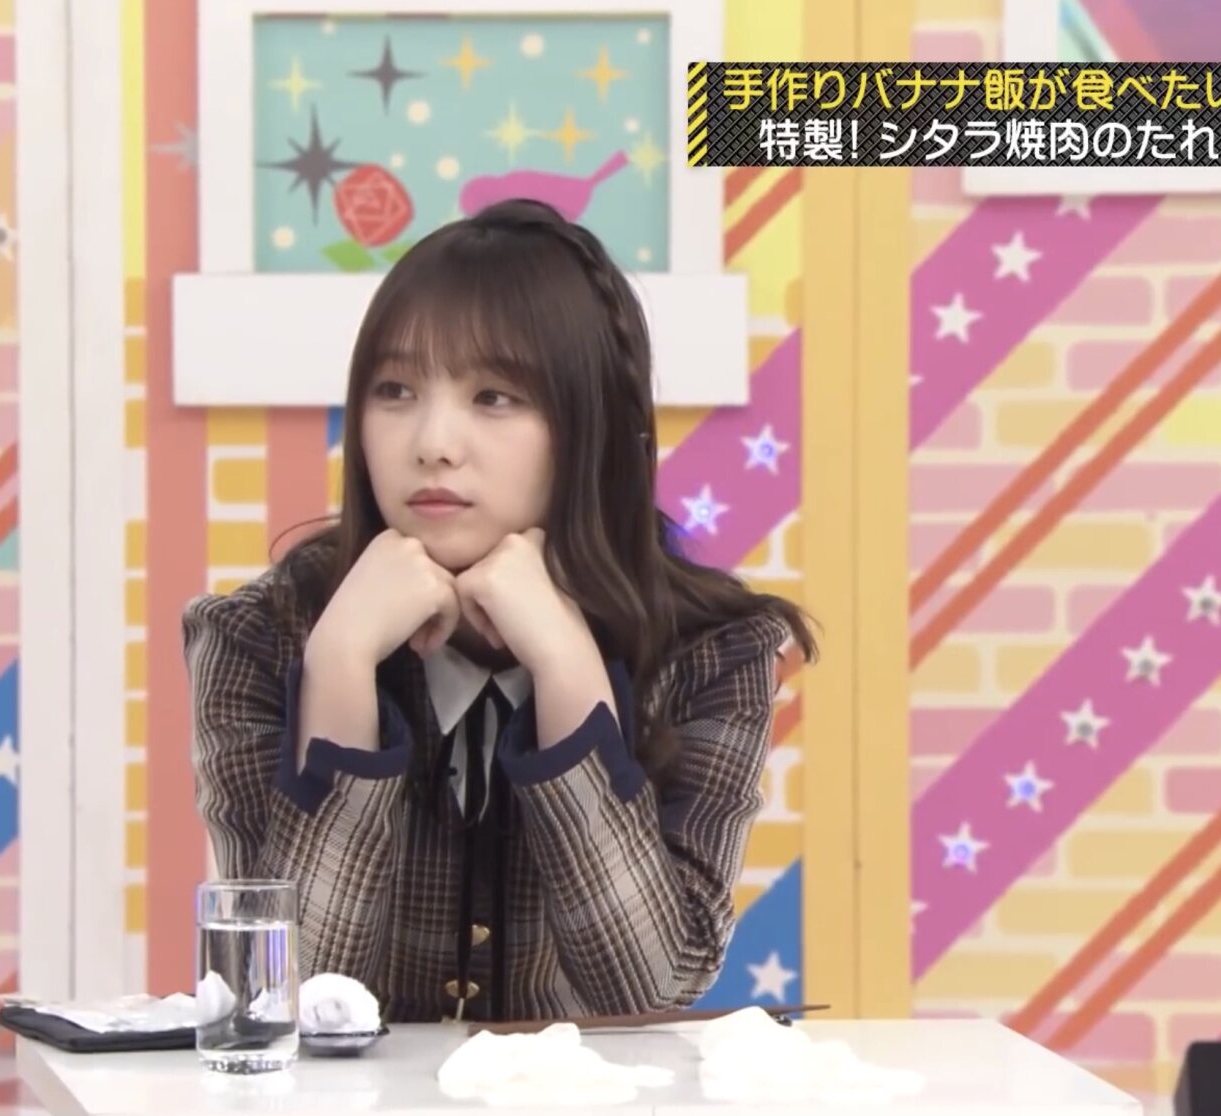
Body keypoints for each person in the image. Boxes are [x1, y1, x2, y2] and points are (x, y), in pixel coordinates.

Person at [182, 199, 816, 1024]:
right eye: (395, 390)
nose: (432, 443)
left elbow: (651, 992)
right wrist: (339, 670)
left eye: (494, 396)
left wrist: (566, 666)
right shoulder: (256, 638)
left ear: (590, 426)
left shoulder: (713, 652)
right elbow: (274, 1001)